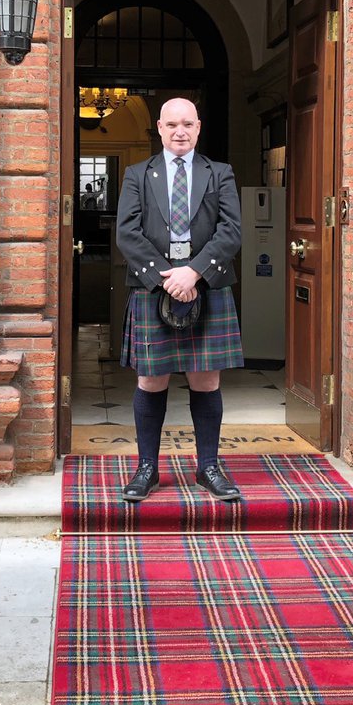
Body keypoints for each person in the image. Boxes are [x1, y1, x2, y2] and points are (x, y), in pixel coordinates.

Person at [116, 97, 244, 502]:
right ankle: (147, 469)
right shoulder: (138, 175)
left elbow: (231, 230)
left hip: (207, 284)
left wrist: (195, 272)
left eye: (187, 124)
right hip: (154, 288)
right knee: (151, 379)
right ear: (159, 128)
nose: (180, 132)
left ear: (199, 127)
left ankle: (208, 467)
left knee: (206, 379)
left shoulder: (219, 173)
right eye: (172, 125)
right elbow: (127, 232)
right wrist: (165, 278)